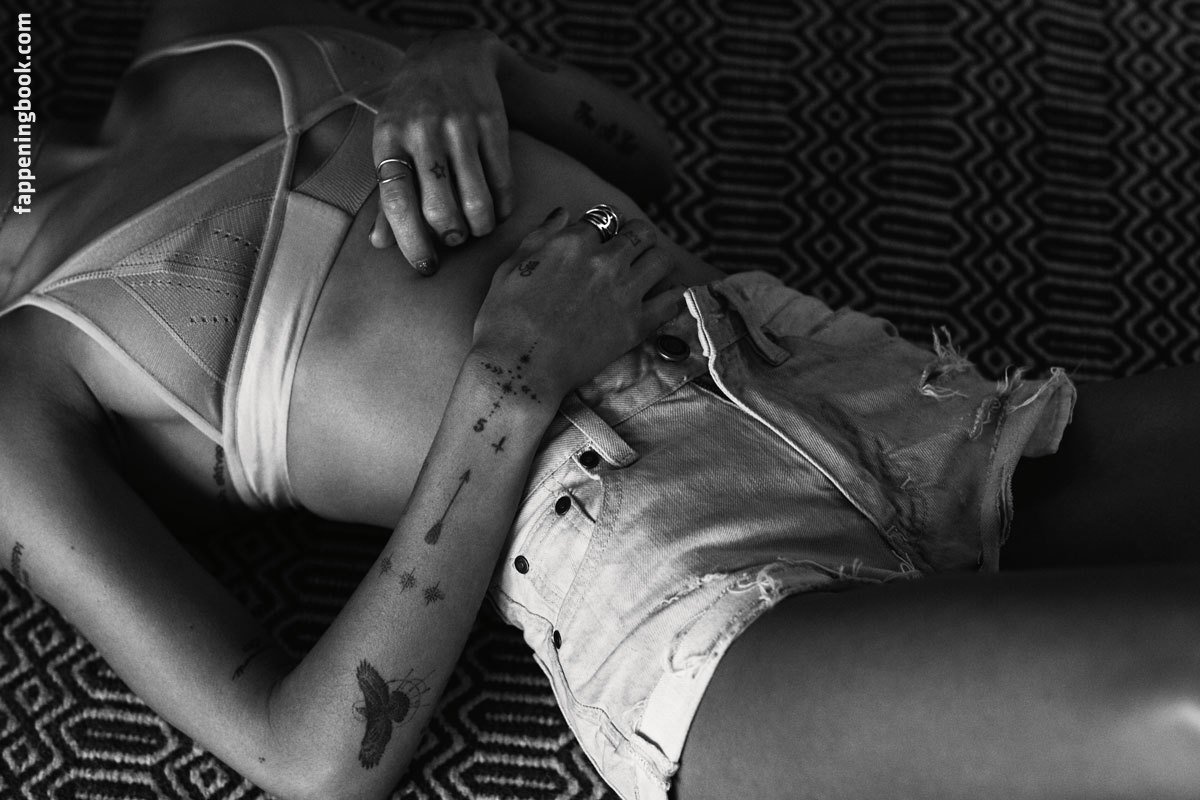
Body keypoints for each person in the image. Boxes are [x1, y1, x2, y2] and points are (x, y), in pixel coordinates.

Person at [3, 3, 1200, 800]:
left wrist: (486, 66)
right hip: (679, 573)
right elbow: (303, 754)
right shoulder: (17, 394)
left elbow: (644, 167)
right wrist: (507, 385)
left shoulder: (202, 26)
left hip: (861, 393)